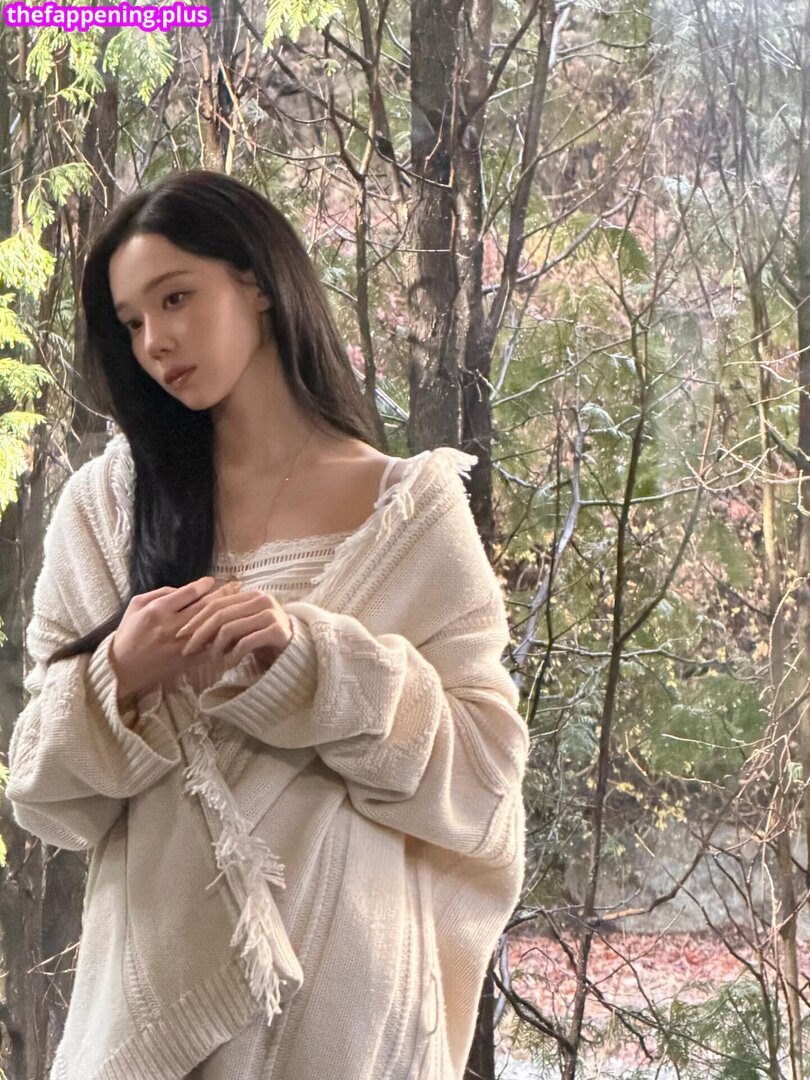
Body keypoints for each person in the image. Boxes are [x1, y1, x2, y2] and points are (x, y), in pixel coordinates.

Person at [6, 169, 530, 1080]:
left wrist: (313, 663)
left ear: (256, 281)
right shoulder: (107, 509)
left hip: (349, 1014)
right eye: (131, 322)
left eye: (176, 298)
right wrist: (119, 674)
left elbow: (483, 782)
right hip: (149, 1016)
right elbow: (39, 785)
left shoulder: (410, 515)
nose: (155, 341)